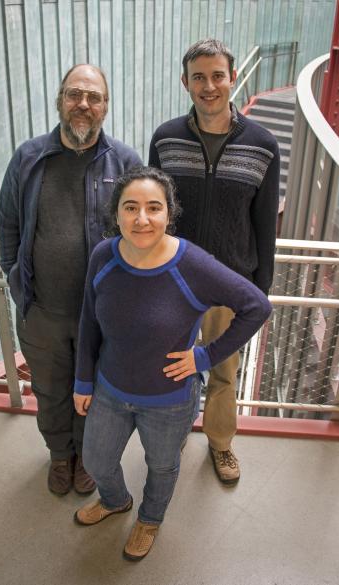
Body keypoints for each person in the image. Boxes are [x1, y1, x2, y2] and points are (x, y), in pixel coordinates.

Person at [72, 166, 272, 561]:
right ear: (117, 214)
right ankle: (115, 500)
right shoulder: (103, 256)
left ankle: (150, 518)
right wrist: (82, 380)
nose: (141, 219)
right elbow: (89, 320)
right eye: (130, 208)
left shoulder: (191, 264)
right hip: (110, 389)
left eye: (153, 208)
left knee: (162, 467)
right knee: (96, 459)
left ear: (168, 213)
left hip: (168, 400)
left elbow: (256, 306)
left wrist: (205, 356)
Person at [0, 64, 142, 496]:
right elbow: (8, 223)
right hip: (42, 312)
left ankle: (87, 458)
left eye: (94, 97)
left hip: (100, 316)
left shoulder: (126, 162)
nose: (84, 104)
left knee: (94, 394)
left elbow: (143, 232)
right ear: (60, 100)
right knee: (50, 391)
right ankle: (60, 456)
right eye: (74, 94)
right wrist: (13, 275)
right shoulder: (28, 157)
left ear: (106, 107)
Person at [149, 39, 280, 485]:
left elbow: (265, 225)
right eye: (199, 77)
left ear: (233, 79)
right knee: (176, 367)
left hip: (229, 284)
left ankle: (221, 444)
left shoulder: (262, 145)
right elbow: (153, 212)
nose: (209, 86)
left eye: (217, 76)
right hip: (175, 285)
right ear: (185, 82)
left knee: (223, 372)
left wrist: (258, 290)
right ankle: (176, 430)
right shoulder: (165, 139)